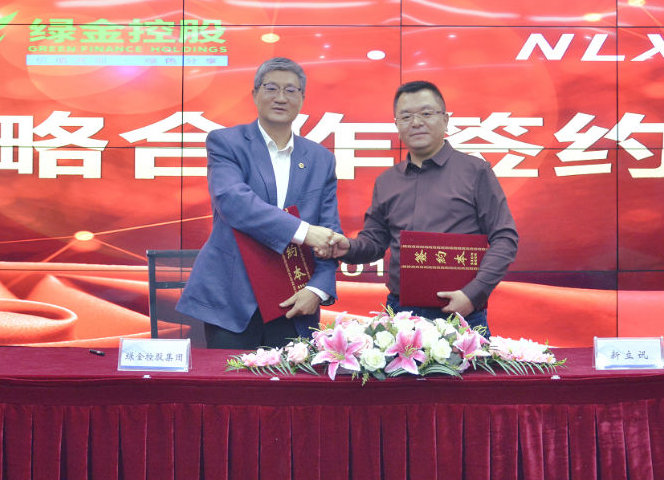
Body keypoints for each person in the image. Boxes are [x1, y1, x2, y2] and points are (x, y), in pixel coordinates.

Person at [177, 58, 342, 349]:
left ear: (302, 98)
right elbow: (233, 202)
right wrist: (305, 232)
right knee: (229, 378)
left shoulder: (321, 159)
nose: (281, 97)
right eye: (271, 88)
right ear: (255, 94)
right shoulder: (226, 142)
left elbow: (329, 233)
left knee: (291, 378)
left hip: (295, 299)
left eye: (291, 90)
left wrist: (318, 289)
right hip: (232, 299)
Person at [330, 80, 517, 332]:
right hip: (400, 313)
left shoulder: (476, 172)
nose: (416, 122)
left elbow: (505, 238)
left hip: (462, 313)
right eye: (406, 116)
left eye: (426, 114)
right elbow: (374, 243)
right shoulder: (387, 181)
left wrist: (473, 294)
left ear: (445, 120)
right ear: (397, 125)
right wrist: (348, 248)